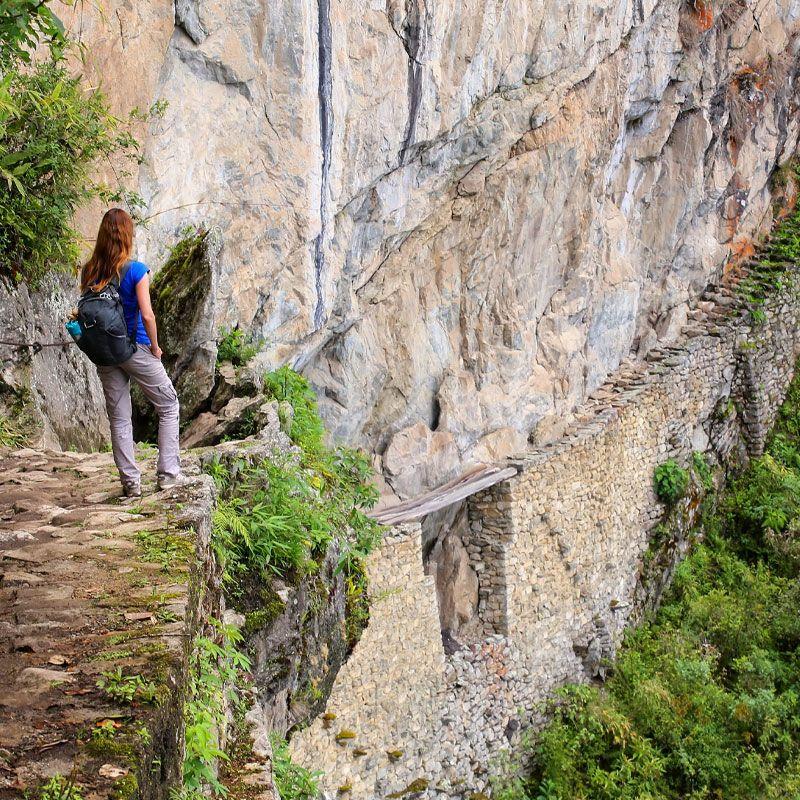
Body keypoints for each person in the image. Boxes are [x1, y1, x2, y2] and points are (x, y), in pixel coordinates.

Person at [81, 208, 185, 497]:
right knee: (168, 404)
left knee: (119, 418)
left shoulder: (90, 270)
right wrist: (154, 347)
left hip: (104, 352)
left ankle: (131, 483)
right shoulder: (137, 270)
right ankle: (168, 474)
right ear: (128, 236)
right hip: (134, 347)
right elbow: (148, 315)